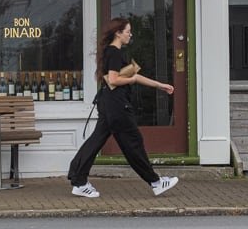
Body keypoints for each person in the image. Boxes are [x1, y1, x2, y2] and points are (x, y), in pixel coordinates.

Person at [66, 17, 179, 198]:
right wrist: (132, 80)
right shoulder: (114, 53)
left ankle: (79, 180)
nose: (130, 35)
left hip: (108, 103)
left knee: (96, 141)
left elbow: (134, 75)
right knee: (133, 143)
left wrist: (160, 85)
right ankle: (156, 182)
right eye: (128, 31)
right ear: (118, 33)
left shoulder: (113, 52)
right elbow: (113, 80)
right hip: (117, 105)